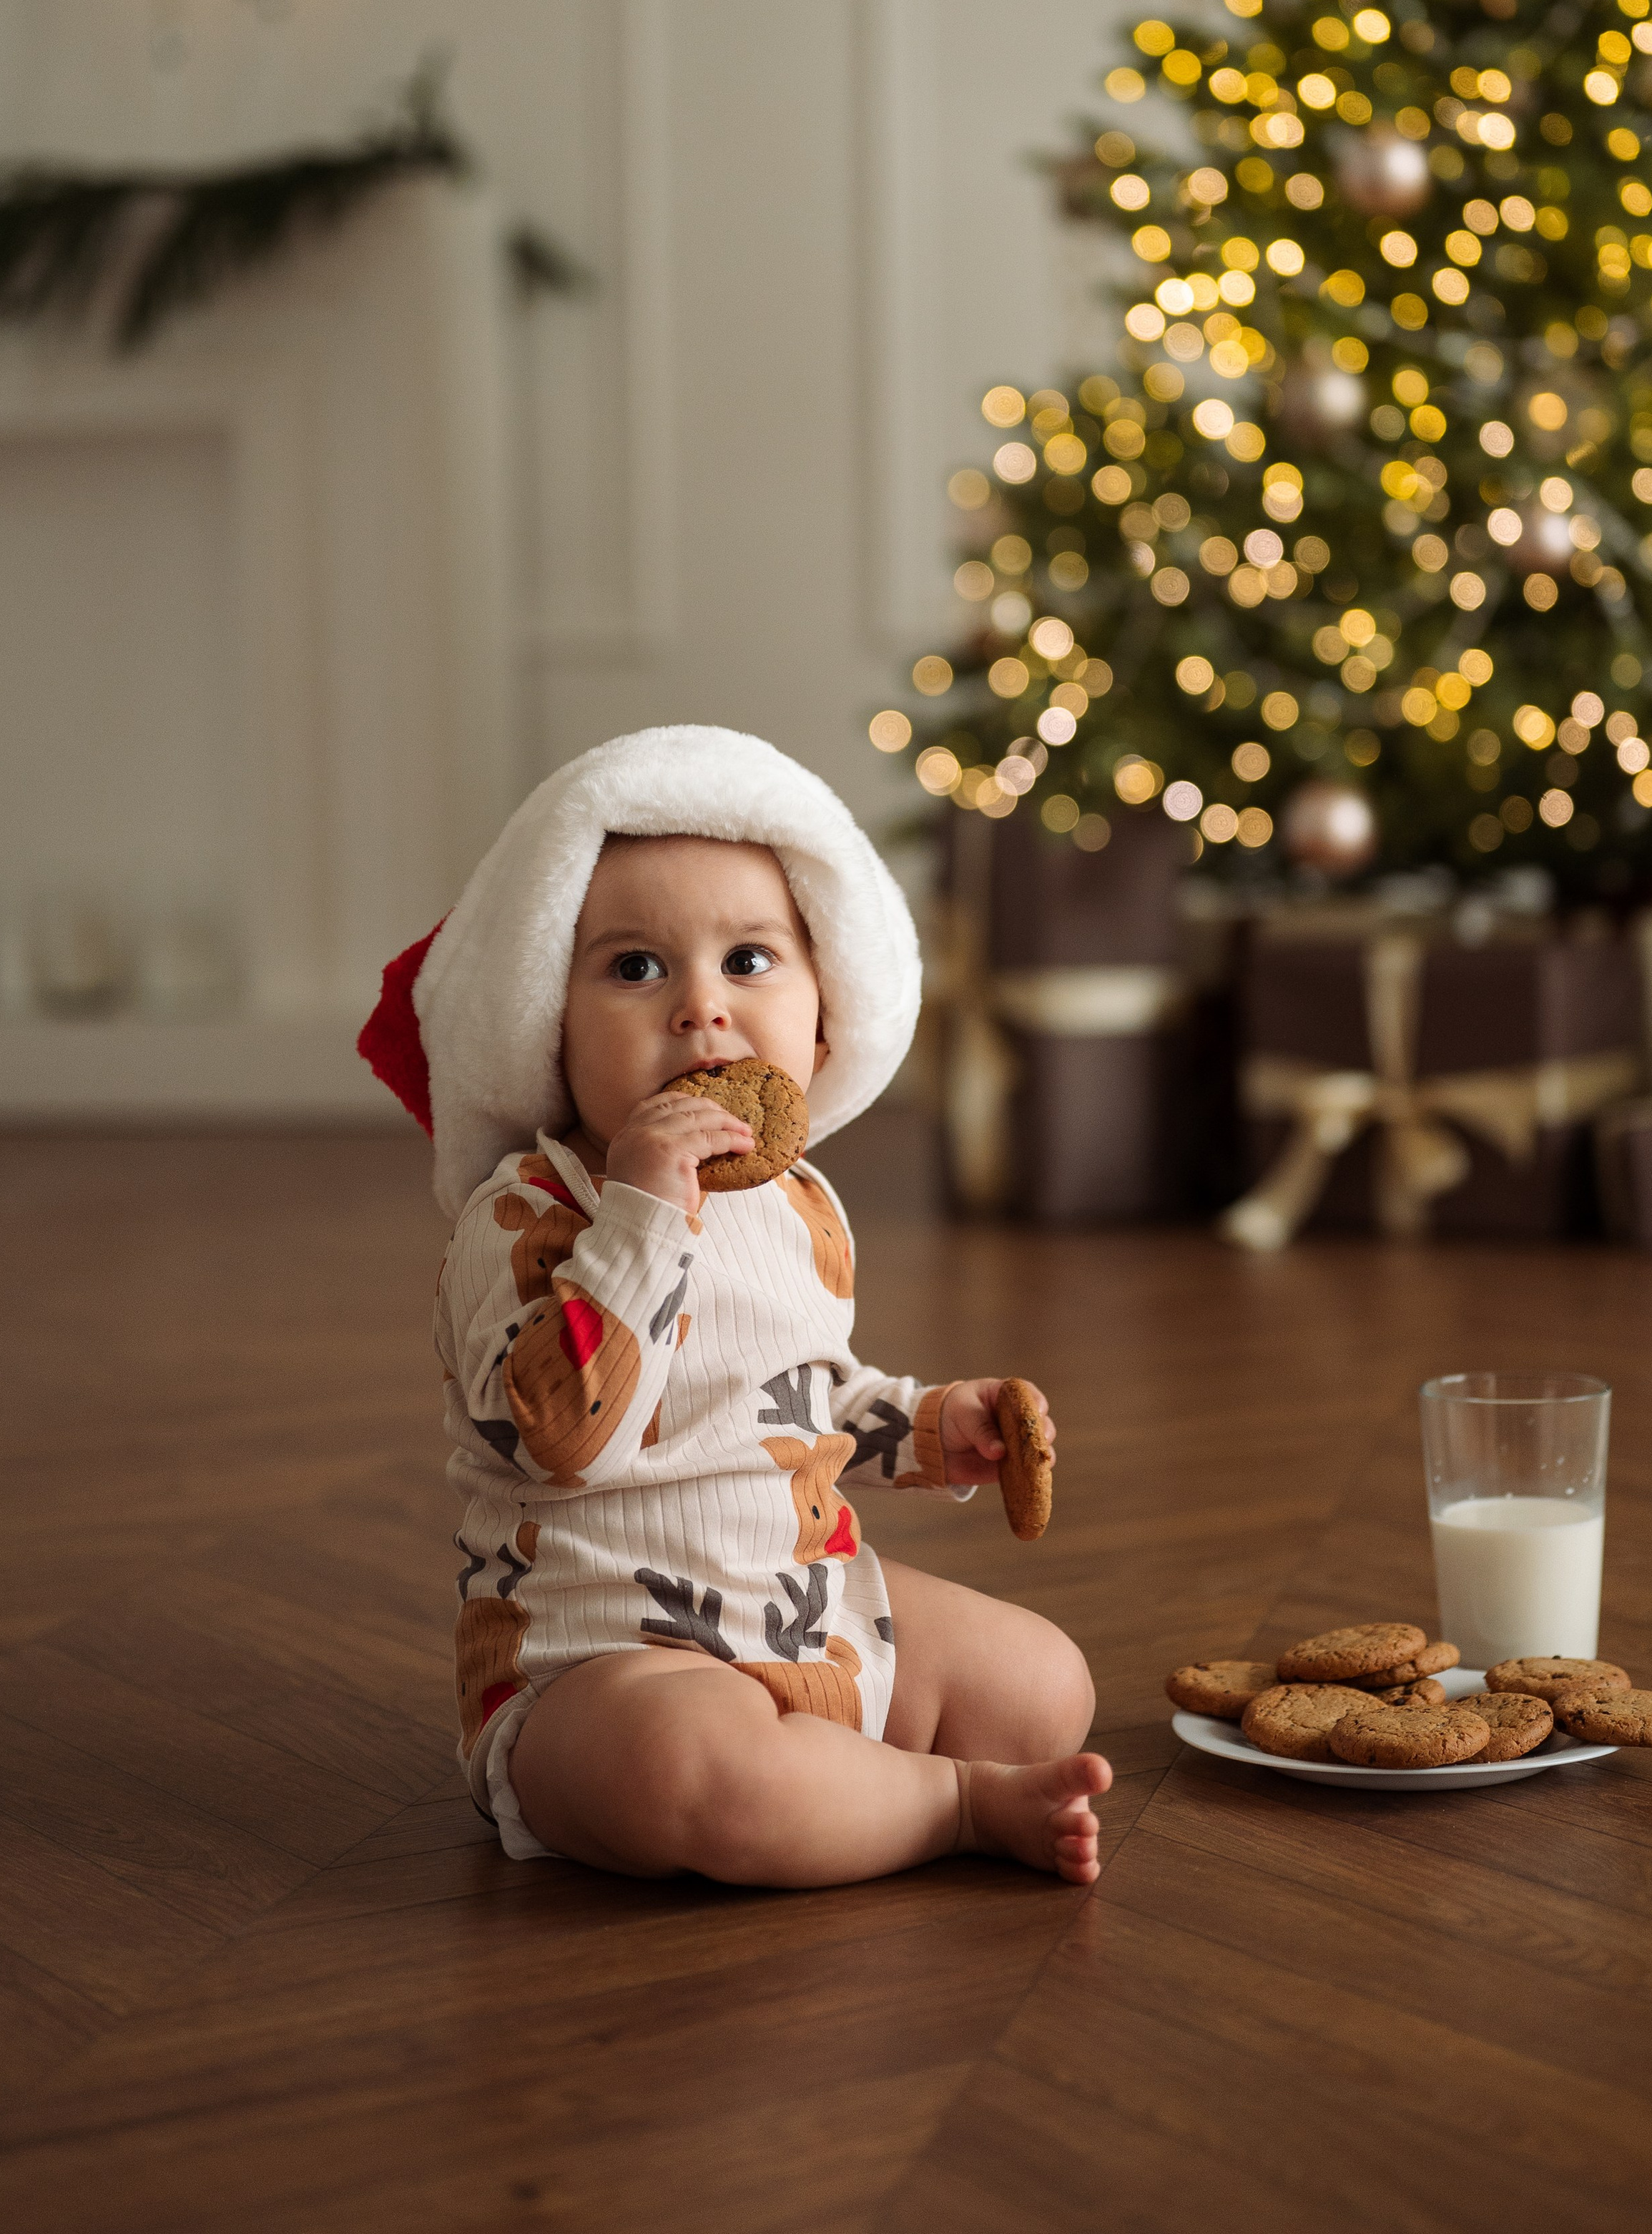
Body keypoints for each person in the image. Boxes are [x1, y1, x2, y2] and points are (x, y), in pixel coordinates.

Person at [360, 724, 1110, 1887]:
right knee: (688, 1769)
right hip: (609, 1664)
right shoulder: (524, 1216)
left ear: (819, 1025)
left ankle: (845, 1771)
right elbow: (564, 1442)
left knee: (1045, 1684)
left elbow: (794, 1393)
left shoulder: (796, 1198)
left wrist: (925, 1423)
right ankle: (947, 1804)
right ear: (545, 1031)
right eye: (635, 968)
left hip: (800, 1599)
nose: (702, 1012)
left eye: (750, 962)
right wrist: (645, 1215)